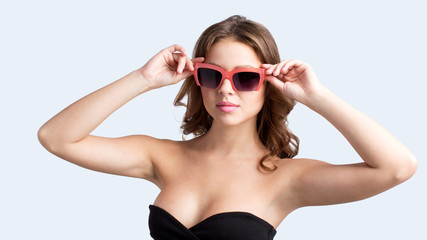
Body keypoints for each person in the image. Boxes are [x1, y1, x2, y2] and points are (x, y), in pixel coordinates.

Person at [38, 15, 417, 240]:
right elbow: (55, 138)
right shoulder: (161, 156)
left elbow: (397, 168)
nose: (225, 88)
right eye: (212, 74)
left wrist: (317, 97)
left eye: (246, 78)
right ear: (197, 77)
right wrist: (142, 78)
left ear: (268, 84)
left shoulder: (287, 179)